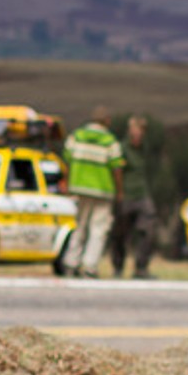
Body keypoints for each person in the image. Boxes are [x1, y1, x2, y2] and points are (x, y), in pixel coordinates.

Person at [59, 105, 124, 278]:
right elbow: (117, 167)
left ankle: (71, 263)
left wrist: (66, 180)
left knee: (79, 226)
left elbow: (66, 158)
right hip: (102, 190)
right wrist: (119, 191)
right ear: (106, 121)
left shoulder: (77, 136)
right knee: (98, 229)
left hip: (79, 188)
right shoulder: (110, 141)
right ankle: (90, 266)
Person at [108, 114, 157, 279]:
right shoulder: (122, 148)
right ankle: (118, 267)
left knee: (148, 230)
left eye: (141, 131)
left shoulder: (144, 147)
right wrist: (118, 193)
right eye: (135, 130)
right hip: (125, 194)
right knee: (120, 233)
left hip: (142, 194)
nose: (138, 134)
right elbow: (116, 171)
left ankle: (141, 267)